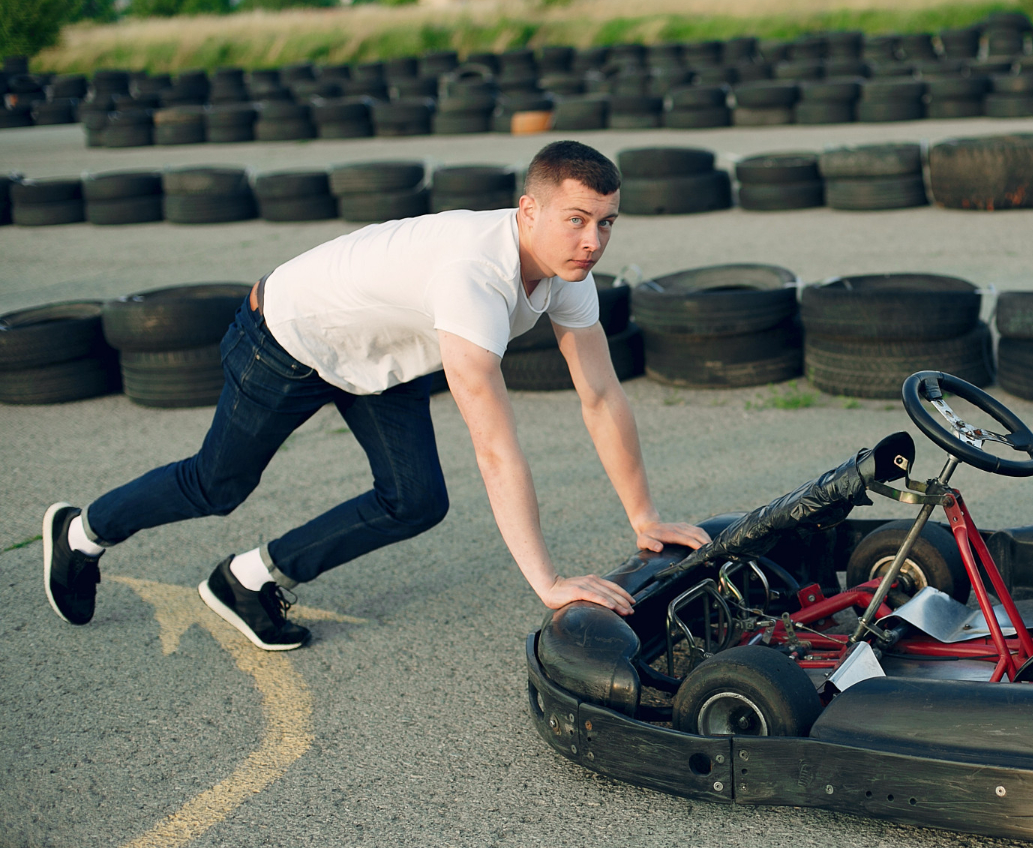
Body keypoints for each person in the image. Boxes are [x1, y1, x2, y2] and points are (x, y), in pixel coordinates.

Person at [43, 140, 708, 650]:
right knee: (217, 486)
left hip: (378, 359)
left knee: (414, 499)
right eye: (576, 220)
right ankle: (82, 531)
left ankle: (250, 579)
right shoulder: (475, 275)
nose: (593, 242)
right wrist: (547, 582)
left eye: (607, 223)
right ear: (528, 210)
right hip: (286, 337)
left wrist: (644, 516)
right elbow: (495, 447)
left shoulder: (569, 271)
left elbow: (599, 395)